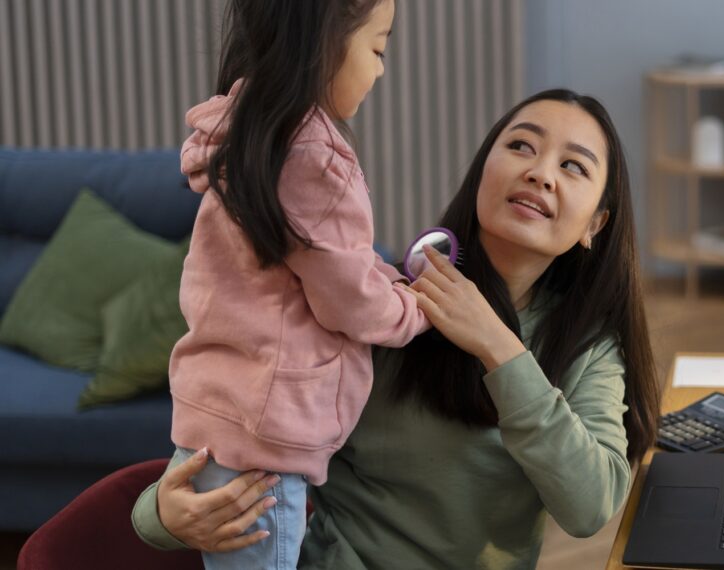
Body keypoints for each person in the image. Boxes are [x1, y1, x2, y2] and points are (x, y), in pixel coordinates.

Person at [133, 88, 662, 569]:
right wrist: (160, 515)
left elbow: (591, 505)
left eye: (573, 166)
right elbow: (247, 423)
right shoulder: (381, 306)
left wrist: (498, 345)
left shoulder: (588, 346)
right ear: (482, 172)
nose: (541, 173)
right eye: (522, 146)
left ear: (595, 224)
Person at [163, 0, 427, 568]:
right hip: (266, 438)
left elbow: (321, 266)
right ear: (324, 40)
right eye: (377, 49)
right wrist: (414, 307)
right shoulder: (311, 154)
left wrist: (386, 276)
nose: (382, 69)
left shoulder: (248, 128)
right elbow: (350, 301)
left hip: (219, 412)